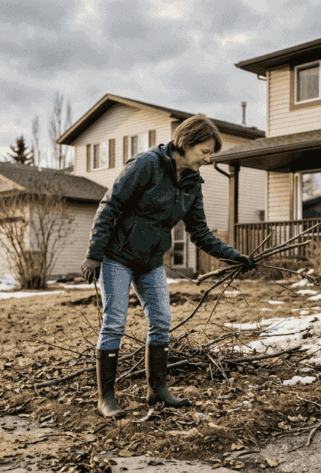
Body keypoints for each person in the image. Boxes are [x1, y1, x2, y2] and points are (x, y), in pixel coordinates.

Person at [81, 115, 255, 419]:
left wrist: (233, 256)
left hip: (150, 261)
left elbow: (199, 232)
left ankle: (158, 390)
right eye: (204, 151)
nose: (208, 159)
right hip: (117, 256)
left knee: (161, 321)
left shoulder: (192, 183)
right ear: (185, 143)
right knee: (115, 322)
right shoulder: (146, 164)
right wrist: (94, 254)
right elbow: (110, 205)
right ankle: (105, 398)